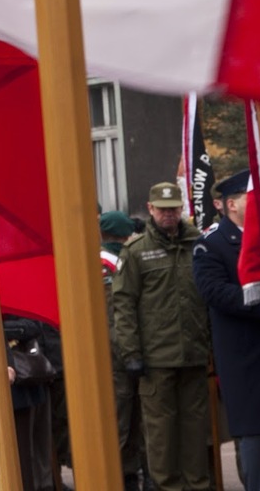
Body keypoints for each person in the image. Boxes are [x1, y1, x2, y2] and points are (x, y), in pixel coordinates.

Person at [193, 170, 260, 491]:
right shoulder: (212, 244)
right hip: (244, 357)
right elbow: (216, 293)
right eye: (254, 199)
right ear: (231, 204)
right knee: (257, 440)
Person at [112, 182, 210, 490]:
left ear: (182, 209)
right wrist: (131, 354)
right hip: (155, 359)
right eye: (162, 209)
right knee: (161, 434)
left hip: (194, 353)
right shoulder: (136, 251)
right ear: (151, 209)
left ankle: (198, 485)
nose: (168, 215)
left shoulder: (200, 244)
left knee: (196, 432)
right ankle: (166, 486)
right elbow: (124, 304)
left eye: (173, 209)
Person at [100, 210, 148, 491]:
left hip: (121, 349)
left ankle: (129, 474)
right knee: (123, 418)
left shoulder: (123, 259)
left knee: (129, 418)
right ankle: (118, 476)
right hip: (119, 350)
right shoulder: (109, 263)